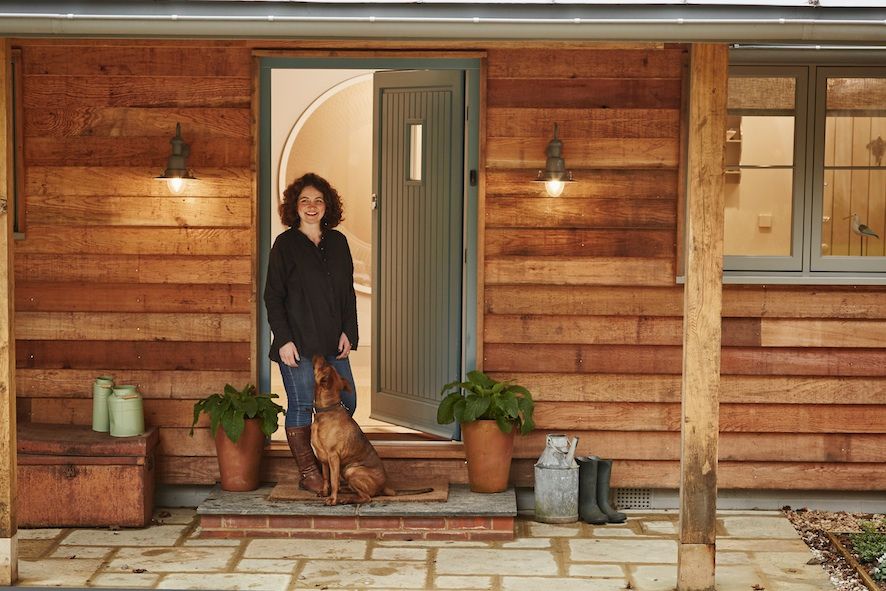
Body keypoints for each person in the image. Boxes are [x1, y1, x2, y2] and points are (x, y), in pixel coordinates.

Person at [264, 172, 358, 493]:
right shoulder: (285, 245)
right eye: (305, 200)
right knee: (303, 404)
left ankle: (327, 462)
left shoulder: (338, 242)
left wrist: (349, 331)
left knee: (347, 401)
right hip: (298, 344)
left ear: (327, 206)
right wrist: (284, 340)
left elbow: (347, 293)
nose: (312, 206)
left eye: (318, 200)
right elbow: (273, 296)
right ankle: (309, 472)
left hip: (332, 341)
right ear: (295, 206)